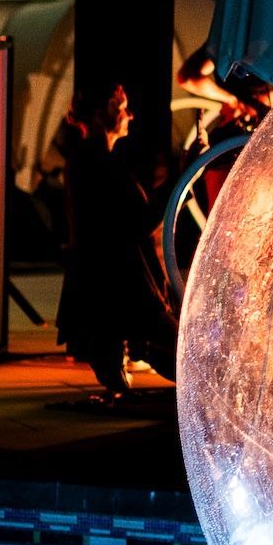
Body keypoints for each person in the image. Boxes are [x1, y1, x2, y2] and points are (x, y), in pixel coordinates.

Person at [56, 83, 178, 404]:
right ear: (100, 115)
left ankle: (121, 357)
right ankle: (132, 352)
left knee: (173, 352)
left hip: (112, 285)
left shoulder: (91, 160)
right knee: (183, 355)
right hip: (121, 284)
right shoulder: (95, 162)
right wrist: (178, 182)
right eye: (121, 108)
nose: (130, 115)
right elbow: (137, 222)